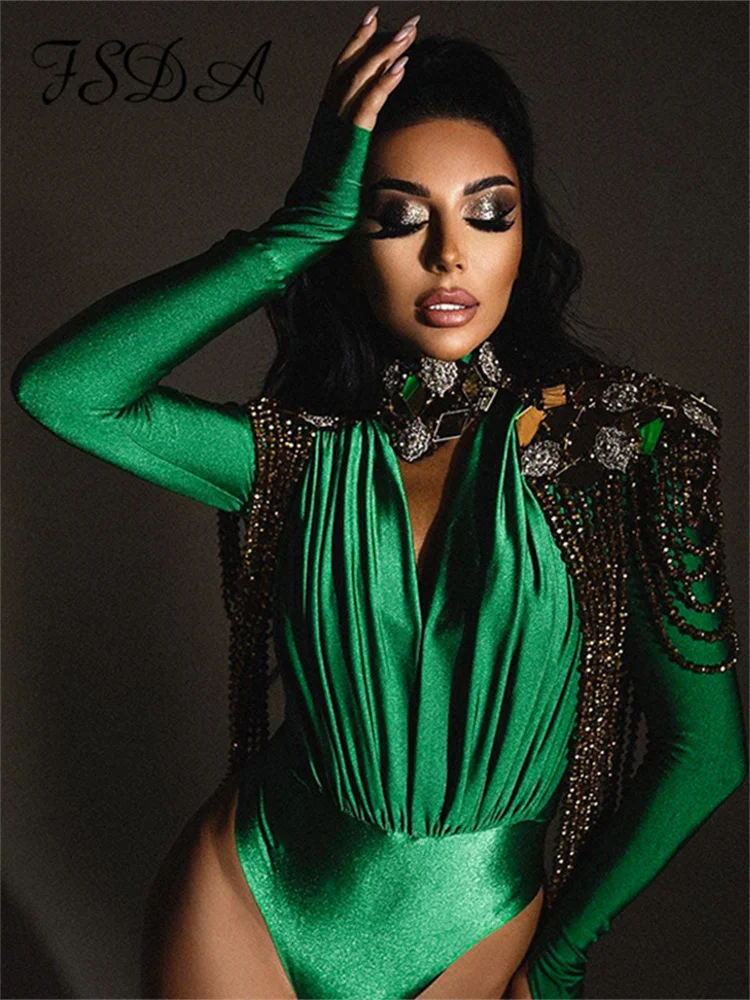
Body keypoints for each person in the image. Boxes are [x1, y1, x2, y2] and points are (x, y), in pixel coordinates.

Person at [10, 8, 747, 1000]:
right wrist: (294, 229)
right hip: (246, 895)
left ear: (526, 233)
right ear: (352, 244)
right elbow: (64, 391)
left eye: (489, 213)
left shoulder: (623, 443)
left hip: (474, 926)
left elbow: (705, 751)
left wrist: (559, 958)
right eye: (398, 217)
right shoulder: (305, 458)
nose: (449, 255)